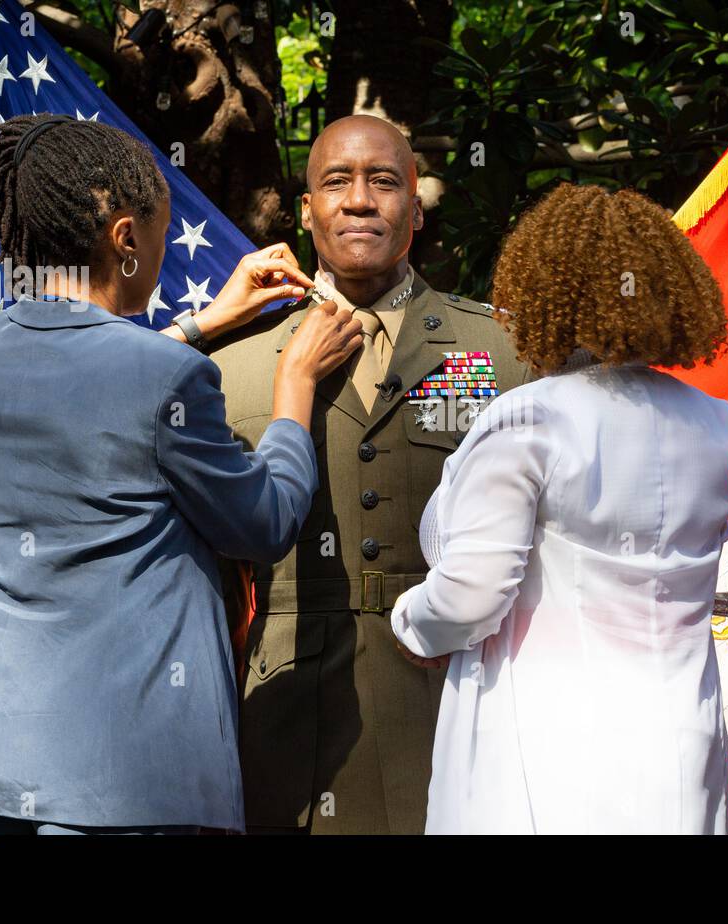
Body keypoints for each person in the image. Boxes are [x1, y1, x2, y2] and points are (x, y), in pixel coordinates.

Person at [0, 114, 362, 834]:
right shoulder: (165, 378)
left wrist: (201, 324)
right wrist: (295, 385)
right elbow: (264, 522)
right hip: (126, 773)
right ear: (126, 238)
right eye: (160, 231)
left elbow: (81, 376)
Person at [208, 114, 530, 834]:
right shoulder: (233, 368)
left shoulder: (502, 352)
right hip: (289, 715)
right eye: (336, 182)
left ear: (415, 209)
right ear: (306, 211)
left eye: (384, 181)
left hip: (454, 700)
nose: (359, 199)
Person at [389, 183, 728, 834]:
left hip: (548, 748)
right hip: (682, 743)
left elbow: (472, 592)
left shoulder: (530, 419)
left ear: (540, 294)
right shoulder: (715, 424)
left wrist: (411, 623)